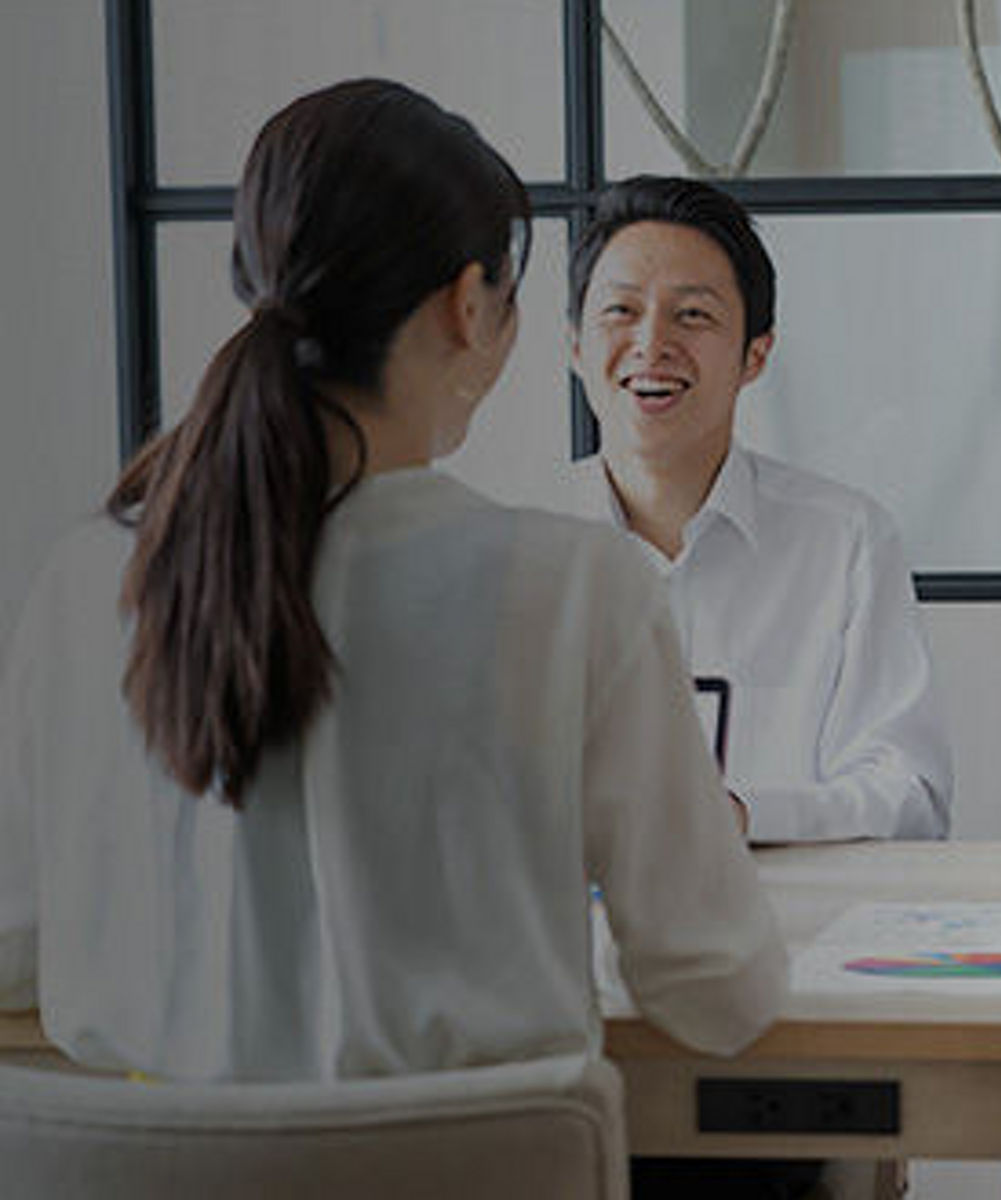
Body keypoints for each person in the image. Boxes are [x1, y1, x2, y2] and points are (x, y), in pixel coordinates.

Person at [0, 79, 784, 1080]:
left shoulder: (88, 576)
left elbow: (13, 951)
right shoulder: (571, 585)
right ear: (469, 306)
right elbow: (714, 991)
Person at [561, 175, 950, 844]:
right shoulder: (507, 542)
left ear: (755, 355)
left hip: (793, 933)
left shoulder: (845, 540)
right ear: (575, 346)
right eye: (621, 311)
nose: (652, 344)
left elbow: (910, 794)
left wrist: (742, 815)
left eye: (693, 315)